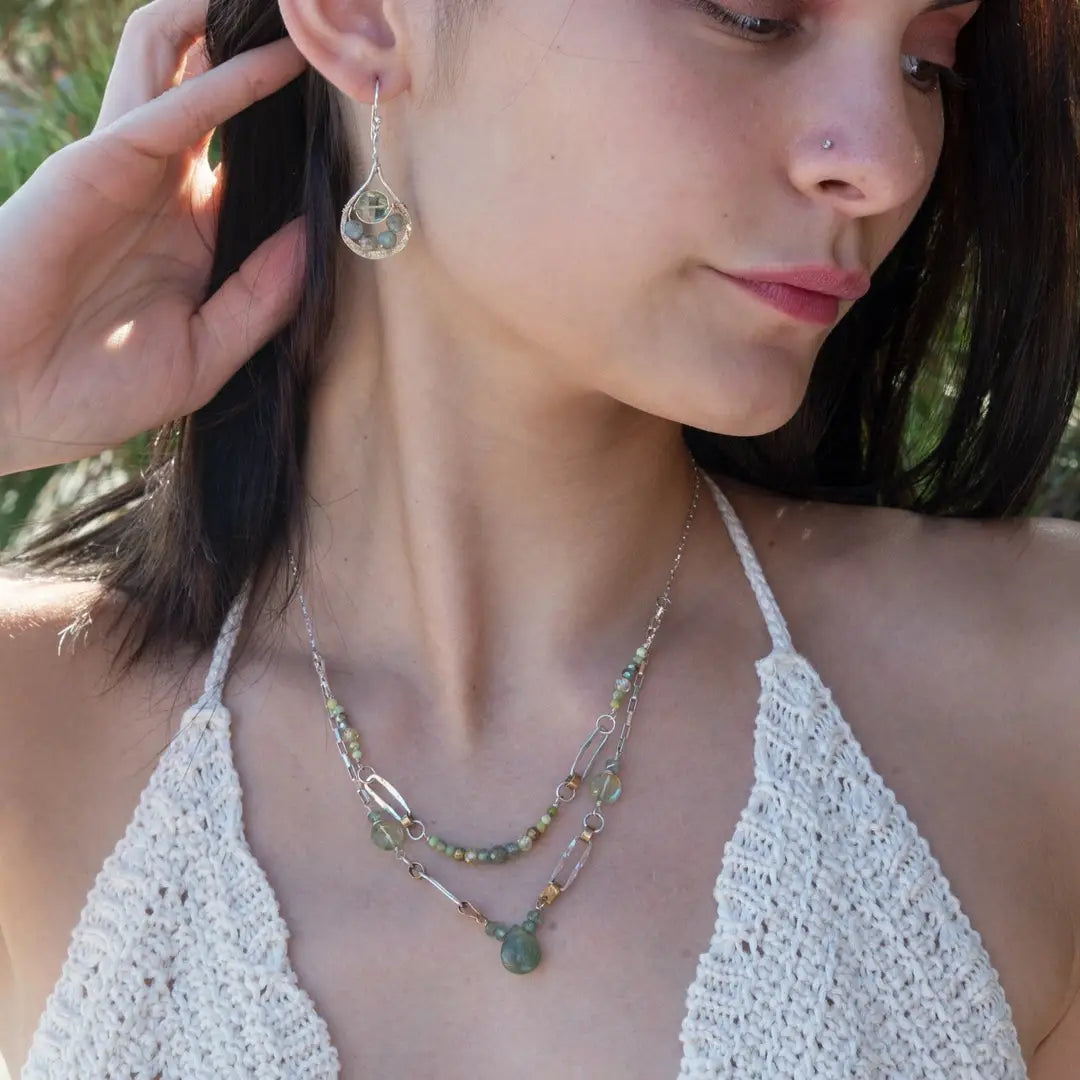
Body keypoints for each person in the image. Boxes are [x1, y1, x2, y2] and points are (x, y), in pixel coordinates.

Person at [0, 0, 1078, 1075]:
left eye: (925, 63)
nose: (888, 160)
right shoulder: (31, 743)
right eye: (758, 17)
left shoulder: (1038, 696)